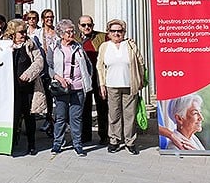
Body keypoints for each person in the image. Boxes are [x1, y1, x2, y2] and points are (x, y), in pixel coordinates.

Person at [96, 18, 146, 154]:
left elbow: (140, 63)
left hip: (129, 84)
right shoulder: (104, 46)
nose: (116, 33)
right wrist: (102, 84)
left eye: (119, 31)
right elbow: (100, 66)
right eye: (113, 31)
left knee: (129, 115)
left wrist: (140, 80)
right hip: (111, 84)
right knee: (114, 114)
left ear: (124, 32)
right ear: (108, 32)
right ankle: (114, 140)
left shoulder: (130, 45)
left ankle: (130, 142)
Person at [48, 18, 93, 156]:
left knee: (76, 117)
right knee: (60, 117)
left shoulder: (78, 47)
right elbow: (49, 67)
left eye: (72, 31)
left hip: (78, 87)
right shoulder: (54, 48)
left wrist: (87, 79)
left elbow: (88, 64)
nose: (71, 34)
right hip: (61, 87)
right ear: (61, 34)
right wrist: (58, 78)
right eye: (68, 32)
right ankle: (57, 143)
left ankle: (77, 144)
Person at [7, 19, 45, 155]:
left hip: (27, 87)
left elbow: (39, 61)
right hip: (11, 89)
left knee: (29, 116)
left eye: (24, 31)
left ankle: (32, 144)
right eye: (20, 32)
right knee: (14, 116)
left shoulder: (30, 44)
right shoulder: (5, 45)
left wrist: (28, 74)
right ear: (13, 33)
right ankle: (11, 142)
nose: (23, 34)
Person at [79, 14, 109, 145]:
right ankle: (85, 135)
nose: (87, 27)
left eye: (89, 25)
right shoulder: (75, 38)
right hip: (83, 77)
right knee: (84, 107)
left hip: (99, 77)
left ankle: (104, 135)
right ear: (79, 26)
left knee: (102, 106)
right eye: (84, 25)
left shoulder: (102, 37)